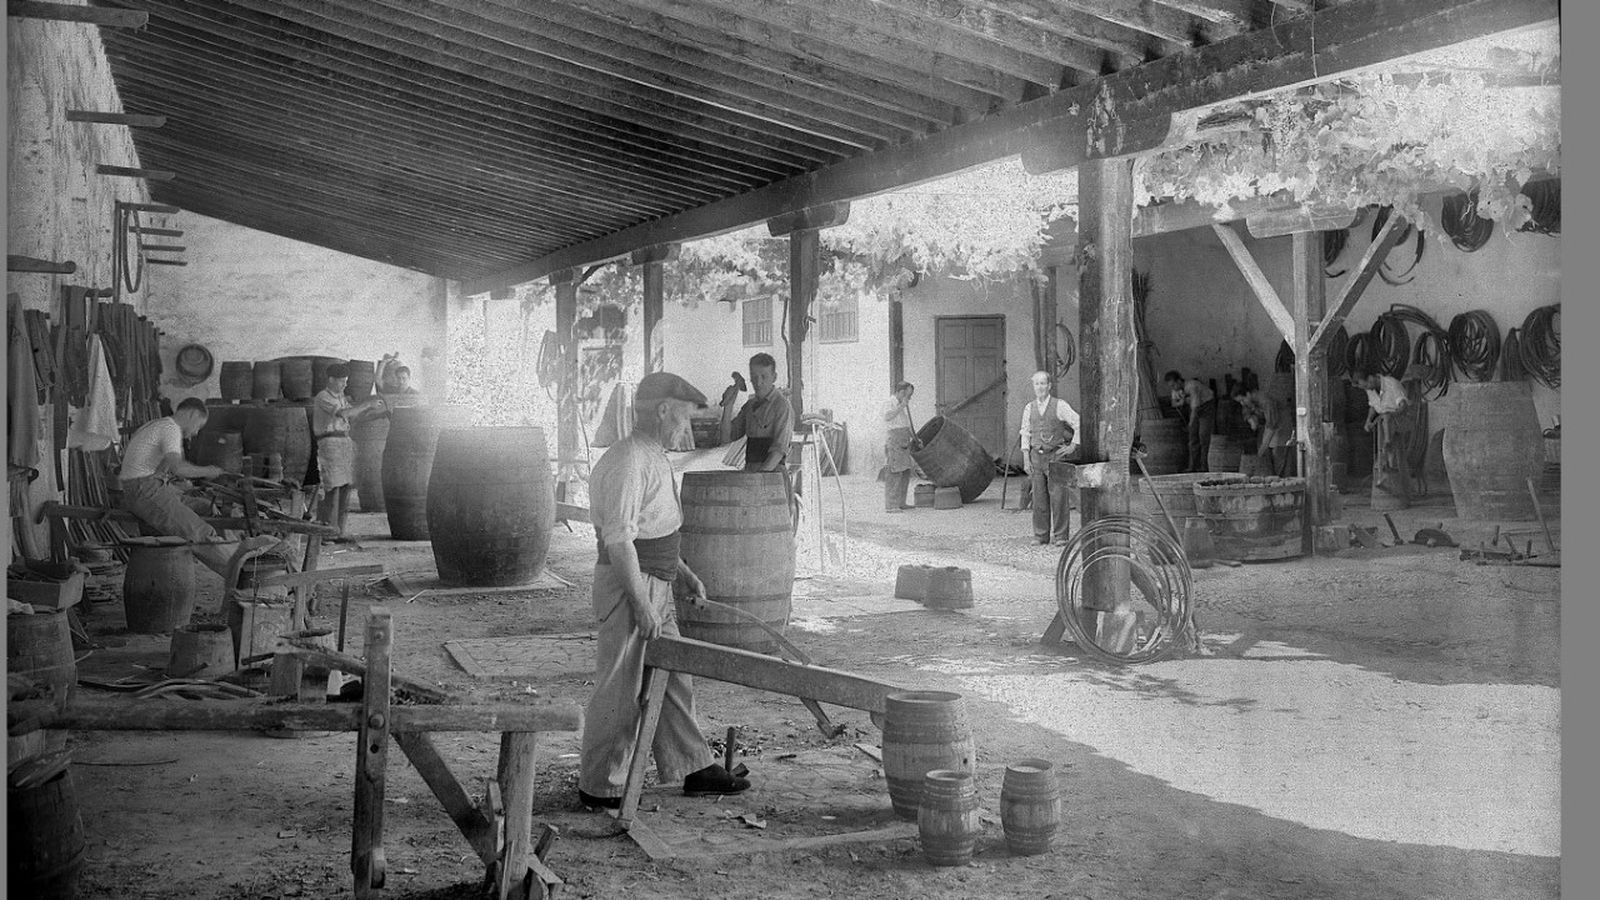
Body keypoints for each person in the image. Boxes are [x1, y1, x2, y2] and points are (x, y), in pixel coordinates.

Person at [578, 371, 751, 809]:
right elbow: (620, 541)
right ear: (662, 410)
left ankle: (693, 766)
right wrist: (640, 604)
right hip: (629, 587)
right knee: (622, 686)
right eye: (684, 418)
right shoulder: (627, 461)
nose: (687, 428)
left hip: (658, 581)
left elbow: (654, 530)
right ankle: (601, 783)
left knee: (674, 674)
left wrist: (685, 574)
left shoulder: (651, 454)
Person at [117, 398, 279, 579]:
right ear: (192, 414)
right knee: (199, 532)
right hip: (144, 491)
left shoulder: (158, 424)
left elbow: (159, 467)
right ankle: (245, 574)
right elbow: (178, 468)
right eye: (198, 427)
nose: (194, 433)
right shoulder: (170, 428)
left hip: (152, 486)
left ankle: (238, 551)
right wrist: (207, 471)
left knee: (207, 507)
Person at [312, 364, 386, 537]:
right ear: (331, 380)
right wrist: (368, 403)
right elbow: (344, 414)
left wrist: (375, 411)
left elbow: (354, 415)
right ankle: (325, 532)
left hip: (344, 442)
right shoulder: (323, 397)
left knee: (345, 488)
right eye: (341, 381)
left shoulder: (340, 397)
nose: (345, 385)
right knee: (332, 488)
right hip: (330, 443)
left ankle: (338, 532)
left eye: (346, 381)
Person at [1019, 371, 1081, 546]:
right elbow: (1025, 433)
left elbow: (1078, 422)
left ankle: (1061, 536)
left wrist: (1072, 447)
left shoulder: (1059, 405)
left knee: (1059, 497)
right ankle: (1040, 536)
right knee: (1038, 497)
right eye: (1036, 384)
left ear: (1049, 386)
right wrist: (1025, 458)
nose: (1040, 387)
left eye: (1043, 383)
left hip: (1055, 456)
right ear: (1033, 387)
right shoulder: (1029, 408)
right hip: (1036, 457)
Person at [718, 352, 794, 473]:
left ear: (774, 377)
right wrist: (728, 406)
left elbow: (779, 450)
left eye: (764, 377)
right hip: (751, 471)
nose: (758, 383)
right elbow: (726, 438)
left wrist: (758, 479)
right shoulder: (749, 406)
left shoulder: (782, 405)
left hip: (772, 474)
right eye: (754, 377)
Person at [1351, 368, 1410, 496]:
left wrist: (1388, 416)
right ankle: (1384, 462)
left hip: (1400, 418)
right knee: (1382, 421)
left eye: (1366, 385)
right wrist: (1368, 421)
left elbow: (1403, 407)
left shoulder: (1391, 383)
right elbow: (1373, 406)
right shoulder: (1370, 389)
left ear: (1371, 377)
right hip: (1383, 421)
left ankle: (1388, 452)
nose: (1366, 388)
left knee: (1386, 418)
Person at [1232, 382, 1295, 476]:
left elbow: (1272, 426)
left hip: (1282, 429)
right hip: (1272, 430)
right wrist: (1250, 419)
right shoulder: (1252, 402)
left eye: (1242, 400)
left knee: (1278, 462)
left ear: (1248, 394)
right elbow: (1247, 411)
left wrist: (1262, 449)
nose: (1242, 403)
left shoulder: (1266, 401)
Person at [1164, 370, 1216, 473]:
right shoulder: (1177, 389)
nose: (1173, 388)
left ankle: (1204, 467)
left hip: (1206, 407)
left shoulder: (1192, 385)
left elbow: (1195, 408)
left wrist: (1191, 423)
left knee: (1203, 437)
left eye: (1174, 385)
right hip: (1195, 409)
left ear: (1179, 381)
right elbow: (1174, 403)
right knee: (1192, 439)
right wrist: (1182, 401)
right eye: (1171, 386)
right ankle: (1192, 467)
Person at [878, 381, 918, 513]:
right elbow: (888, 417)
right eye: (908, 395)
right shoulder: (889, 403)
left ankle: (901, 502)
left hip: (904, 440)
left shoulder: (903, 406)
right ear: (901, 393)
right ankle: (891, 505)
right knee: (894, 472)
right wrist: (901, 406)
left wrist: (916, 438)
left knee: (905, 472)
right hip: (894, 441)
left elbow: (906, 424)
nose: (910, 398)